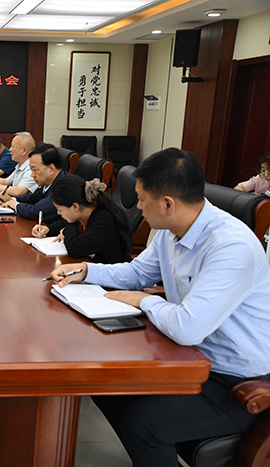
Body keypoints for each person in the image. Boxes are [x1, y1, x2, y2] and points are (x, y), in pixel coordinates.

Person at [50, 148, 270, 467]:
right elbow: (138, 273)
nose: (137, 207)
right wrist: (87, 271)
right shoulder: (171, 232)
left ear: (168, 204)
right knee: (106, 388)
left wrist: (144, 300)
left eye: (142, 199)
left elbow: (187, 327)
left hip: (236, 377)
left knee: (144, 426)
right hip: (191, 358)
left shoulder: (229, 246)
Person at [34, 176, 133, 264]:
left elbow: (75, 249)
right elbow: (65, 223)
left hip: (111, 275)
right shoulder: (85, 213)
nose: (58, 213)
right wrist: (48, 229)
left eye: (60, 209)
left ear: (75, 207)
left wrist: (66, 230)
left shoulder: (104, 220)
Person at [0, 145, 67, 223]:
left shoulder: (63, 187)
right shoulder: (48, 182)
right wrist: (12, 200)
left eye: (35, 170)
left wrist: (15, 205)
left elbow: (37, 212)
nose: (32, 175)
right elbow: (32, 198)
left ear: (51, 169)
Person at [0, 132, 39, 196]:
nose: (10, 149)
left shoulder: (31, 169)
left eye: (13, 147)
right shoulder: (19, 165)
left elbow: (18, 191)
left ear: (24, 151)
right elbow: (5, 181)